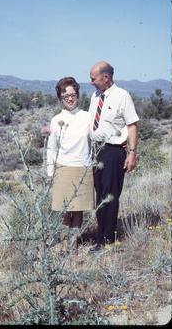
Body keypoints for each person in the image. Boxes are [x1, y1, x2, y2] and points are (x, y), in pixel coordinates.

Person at [88, 61, 139, 252]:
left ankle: (106, 241)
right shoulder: (95, 96)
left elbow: (132, 125)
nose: (91, 82)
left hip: (113, 152)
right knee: (100, 195)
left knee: (110, 196)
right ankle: (100, 234)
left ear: (106, 77)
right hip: (97, 151)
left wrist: (132, 154)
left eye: (94, 79)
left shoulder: (122, 96)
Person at [47, 77, 94, 255]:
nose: (70, 99)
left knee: (78, 209)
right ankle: (63, 246)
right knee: (64, 211)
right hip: (63, 168)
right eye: (65, 95)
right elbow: (51, 149)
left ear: (78, 95)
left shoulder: (87, 117)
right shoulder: (56, 120)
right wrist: (50, 173)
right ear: (60, 98)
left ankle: (73, 246)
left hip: (83, 168)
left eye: (73, 94)